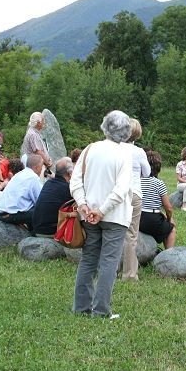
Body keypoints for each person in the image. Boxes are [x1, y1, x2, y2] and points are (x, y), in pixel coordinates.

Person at [71, 110, 132, 319]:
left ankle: (81, 307)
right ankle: (101, 310)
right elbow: (122, 189)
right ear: (126, 132)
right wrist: (102, 210)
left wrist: (84, 205)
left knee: (88, 260)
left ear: (104, 126)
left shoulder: (89, 149)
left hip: (89, 215)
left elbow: (75, 181)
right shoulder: (125, 154)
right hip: (115, 216)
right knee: (109, 263)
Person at [121, 119, 151, 281]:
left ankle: (109, 269)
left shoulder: (114, 149)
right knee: (131, 234)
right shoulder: (138, 152)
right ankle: (129, 274)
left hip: (115, 194)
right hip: (133, 192)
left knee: (113, 232)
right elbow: (146, 172)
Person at [0, 154, 43, 232]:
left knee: (32, 207)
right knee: (42, 210)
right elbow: (40, 200)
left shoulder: (20, 174)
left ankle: (31, 232)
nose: (42, 169)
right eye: (42, 166)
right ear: (37, 167)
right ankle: (36, 234)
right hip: (9, 215)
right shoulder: (33, 177)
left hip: (0, 213)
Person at [140, 150, 176, 250]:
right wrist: (169, 220)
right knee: (171, 229)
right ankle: (168, 254)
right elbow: (168, 208)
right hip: (151, 219)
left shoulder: (136, 181)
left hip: (136, 217)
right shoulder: (158, 183)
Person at [32, 157, 73, 237]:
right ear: (70, 173)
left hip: (37, 228)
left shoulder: (48, 183)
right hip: (51, 232)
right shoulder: (68, 188)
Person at [20, 112, 53, 179]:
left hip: (33, 164)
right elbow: (38, 151)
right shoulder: (33, 134)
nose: (44, 123)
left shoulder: (33, 132)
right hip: (34, 165)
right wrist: (47, 162)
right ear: (38, 123)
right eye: (43, 121)